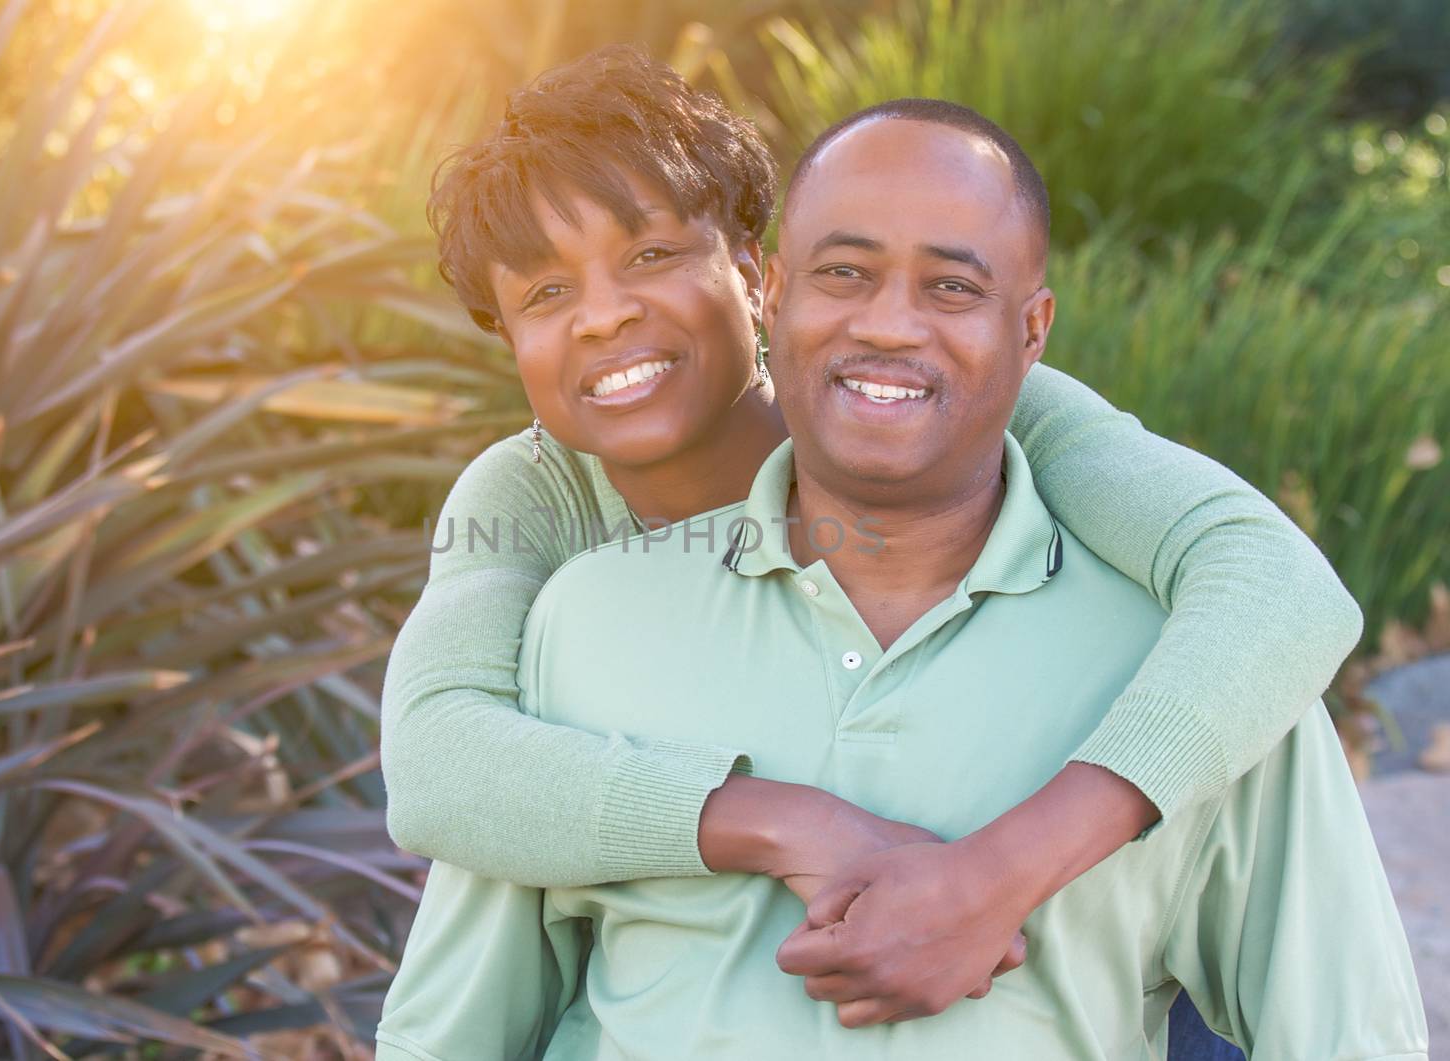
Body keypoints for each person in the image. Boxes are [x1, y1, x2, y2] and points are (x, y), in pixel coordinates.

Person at [376, 98, 1428, 1060]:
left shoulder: (975, 400)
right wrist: (785, 820)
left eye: (650, 253)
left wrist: (994, 875)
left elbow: (1275, 584)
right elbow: (439, 765)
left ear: (752, 274)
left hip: (1099, 917)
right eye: (548, 290)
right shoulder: (538, 518)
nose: (604, 315)